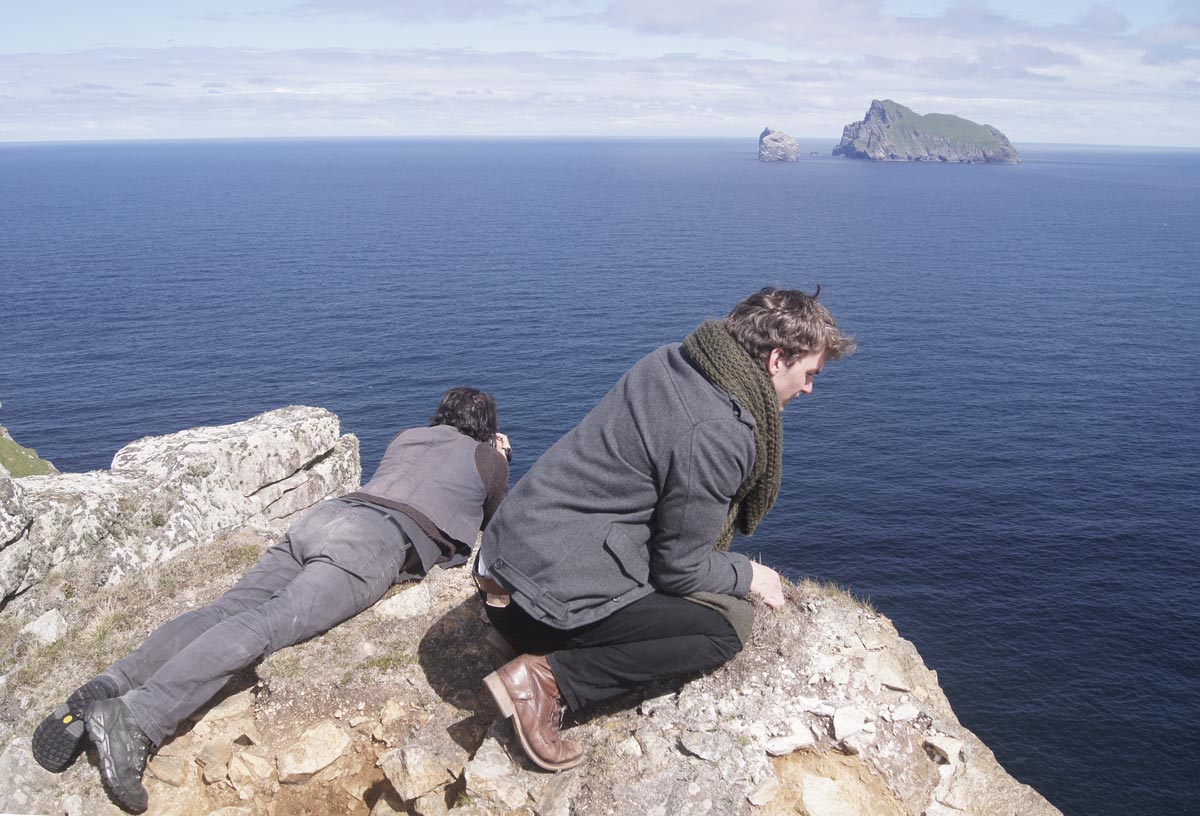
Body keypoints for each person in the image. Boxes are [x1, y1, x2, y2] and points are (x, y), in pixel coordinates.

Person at [32, 387, 511, 813]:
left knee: (227, 608)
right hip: (374, 541)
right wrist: (499, 456)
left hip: (327, 516)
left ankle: (114, 683)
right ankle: (138, 718)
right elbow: (495, 516)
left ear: (440, 415)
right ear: (486, 429)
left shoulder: (408, 437)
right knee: (270, 623)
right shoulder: (487, 458)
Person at [474, 287, 854, 771]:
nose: (809, 389)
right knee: (726, 626)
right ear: (777, 360)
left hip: (502, 565)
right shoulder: (719, 431)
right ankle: (547, 681)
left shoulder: (675, 360)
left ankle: (532, 638)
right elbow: (679, 570)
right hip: (537, 603)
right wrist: (749, 574)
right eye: (810, 374)